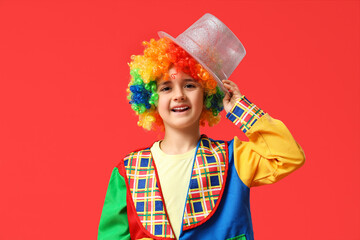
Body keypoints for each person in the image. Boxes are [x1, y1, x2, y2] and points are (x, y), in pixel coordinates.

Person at [98, 13, 305, 240]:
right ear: (150, 98)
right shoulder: (129, 171)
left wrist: (241, 110)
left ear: (207, 94)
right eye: (166, 88)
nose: (179, 95)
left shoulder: (235, 160)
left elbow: (289, 156)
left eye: (189, 85)